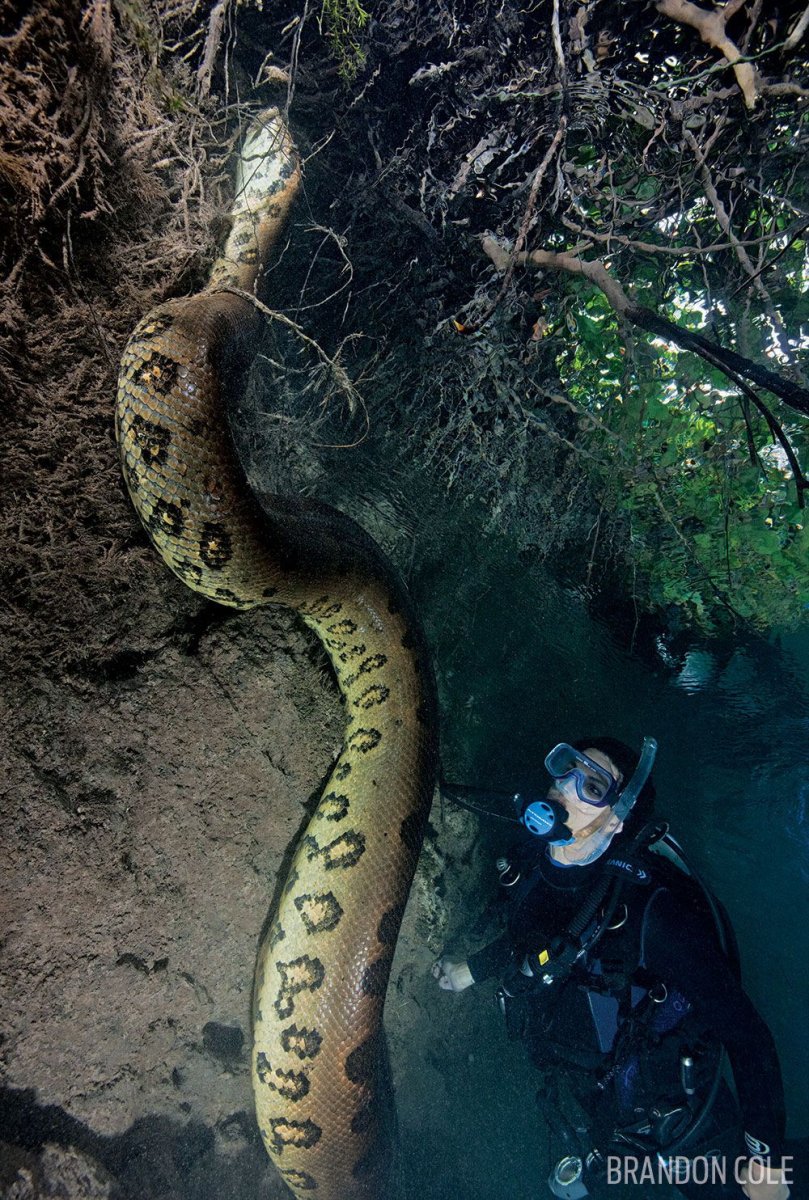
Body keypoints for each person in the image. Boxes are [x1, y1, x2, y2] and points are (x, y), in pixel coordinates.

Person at [433, 738, 796, 1200]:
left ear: (617, 818)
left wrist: (765, 1162)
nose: (566, 787)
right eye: (565, 771)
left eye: (592, 784)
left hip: (672, 1123)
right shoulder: (531, 863)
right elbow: (535, 940)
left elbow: (746, 1034)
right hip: (595, 1108)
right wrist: (474, 969)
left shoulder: (655, 915)